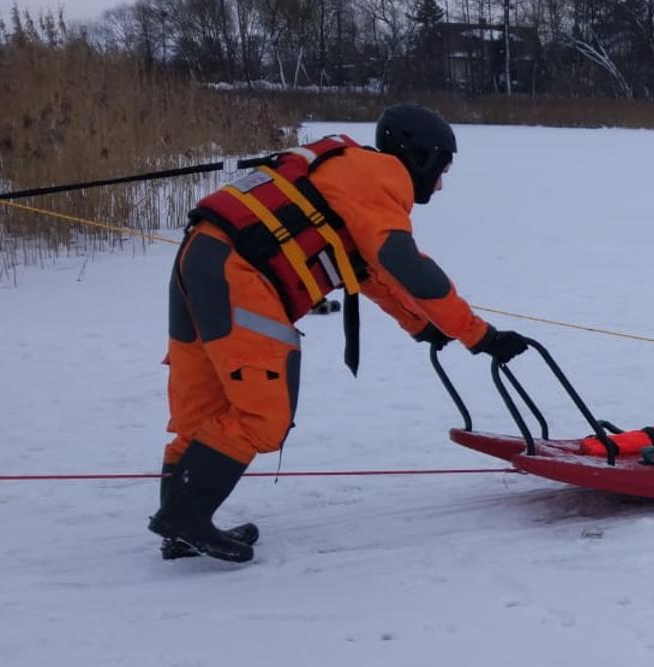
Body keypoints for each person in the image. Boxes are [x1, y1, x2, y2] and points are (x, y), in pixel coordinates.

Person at [153, 104, 531, 563]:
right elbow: (409, 269)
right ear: (420, 156)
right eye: (442, 170)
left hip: (200, 260)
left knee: (203, 410)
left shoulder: (346, 175)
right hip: (241, 278)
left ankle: (180, 526)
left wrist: (423, 327)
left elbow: (372, 275)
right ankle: (185, 516)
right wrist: (481, 336)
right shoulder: (381, 176)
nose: (440, 184)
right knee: (263, 415)